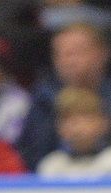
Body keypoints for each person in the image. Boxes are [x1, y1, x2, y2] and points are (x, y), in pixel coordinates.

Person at [17, 19, 111, 170]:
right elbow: (31, 154)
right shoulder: (43, 98)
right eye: (61, 54)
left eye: (77, 52)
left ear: (102, 53)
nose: (68, 61)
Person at [37, 84, 111, 174]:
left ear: (103, 122)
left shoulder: (108, 160)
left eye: (86, 117)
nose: (78, 127)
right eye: (69, 120)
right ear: (58, 126)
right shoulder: (51, 165)